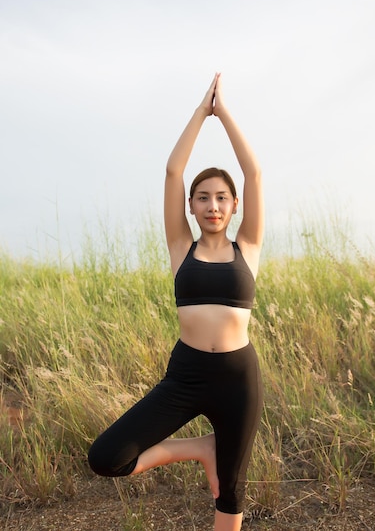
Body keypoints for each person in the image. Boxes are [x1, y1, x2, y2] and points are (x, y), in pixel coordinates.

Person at [88, 73, 264, 531]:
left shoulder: (248, 246)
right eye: (203, 198)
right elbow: (172, 171)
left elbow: (254, 172)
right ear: (190, 205)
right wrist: (199, 113)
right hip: (186, 374)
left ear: (235, 205)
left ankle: (215, 456)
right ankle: (200, 447)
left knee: (231, 488)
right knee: (107, 458)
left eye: (221, 198)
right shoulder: (179, 247)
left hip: (237, 377)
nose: (212, 205)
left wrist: (224, 113)